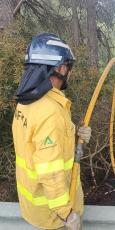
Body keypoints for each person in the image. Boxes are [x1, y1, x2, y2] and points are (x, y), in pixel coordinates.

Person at [12, 33, 91, 230]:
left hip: (33, 207)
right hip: (53, 216)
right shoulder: (51, 112)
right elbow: (51, 172)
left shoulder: (26, 101)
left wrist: (74, 135)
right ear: (60, 68)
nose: (69, 72)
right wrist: (67, 214)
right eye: (68, 67)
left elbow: (37, 145)